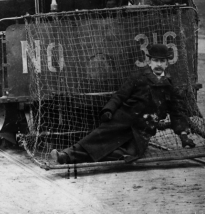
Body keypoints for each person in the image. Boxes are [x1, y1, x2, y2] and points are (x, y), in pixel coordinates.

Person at [51, 43, 195, 165]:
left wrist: (183, 135)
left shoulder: (170, 86)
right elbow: (120, 96)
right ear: (149, 61)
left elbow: (177, 111)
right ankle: (65, 156)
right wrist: (109, 110)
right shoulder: (138, 76)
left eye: (162, 61)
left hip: (143, 128)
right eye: (156, 60)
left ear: (167, 63)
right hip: (123, 119)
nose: (158, 64)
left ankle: (86, 157)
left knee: (130, 155)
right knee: (95, 138)